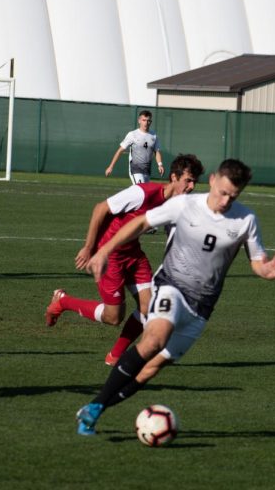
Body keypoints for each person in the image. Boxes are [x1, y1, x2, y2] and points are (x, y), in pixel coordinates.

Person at [75, 159, 275, 436]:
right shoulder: (185, 205)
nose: (225, 201)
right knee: (153, 340)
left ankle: (95, 408)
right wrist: (103, 251)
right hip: (171, 287)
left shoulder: (246, 220)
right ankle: (96, 407)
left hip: (202, 306)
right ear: (213, 180)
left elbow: (256, 260)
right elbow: (141, 222)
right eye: (222, 192)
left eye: (233, 196)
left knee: (150, 369)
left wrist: (264, 270)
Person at [45, 154, 204, 365]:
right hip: (108, 256)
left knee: (149, 308)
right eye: (188, 180)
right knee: (113, 317)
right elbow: (100, 208)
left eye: (194, 182)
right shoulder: (142, 193)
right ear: (174, 177)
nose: (192, 186)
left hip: (133, 255)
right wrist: (89, 247)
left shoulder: (174, 206)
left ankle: (116, 355)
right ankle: (63, 302)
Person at [105, 110, 163, 184]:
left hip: (147, 171)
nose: (146, 123)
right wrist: (111, 166)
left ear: (151, 122)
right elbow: (120, 151)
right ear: (139, 121)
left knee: (144, 193)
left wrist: (160, 165)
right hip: (135, 169)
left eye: (148, 121)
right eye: (144, 120)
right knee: (141, 188)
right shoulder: (132, 134)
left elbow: (157, 151)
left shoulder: (154, 136)